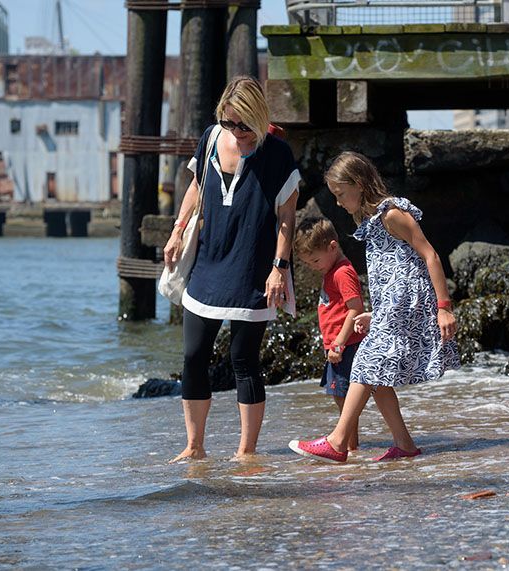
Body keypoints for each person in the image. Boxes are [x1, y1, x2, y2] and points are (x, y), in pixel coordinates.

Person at [289, 151, 460, 463]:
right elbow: (388, 272)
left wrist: (444, 306)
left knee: (366, 361)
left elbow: (430, 255)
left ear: (358, 184)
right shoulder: (373, 222)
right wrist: (375, 314)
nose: (338, 203)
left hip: (409, 302)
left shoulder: (392, 214)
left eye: (341, 194)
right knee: (377, 376)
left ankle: (337, 442)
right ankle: (404, 445)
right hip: (392, 305)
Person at [163, 77, 301, 462]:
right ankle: (194, 445)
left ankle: (246, 451)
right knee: (193, 355)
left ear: (259, 119)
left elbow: (287, 218)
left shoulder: (277, 154)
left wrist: (279, 268)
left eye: (244, 125)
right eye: (229, 123)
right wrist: (177, 231)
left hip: (252, 266)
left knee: (245, 360)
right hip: (209, 260)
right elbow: (196, 185)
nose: (236, 132)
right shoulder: (210, 138)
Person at [293, 217, 366, 450]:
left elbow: (356, 308)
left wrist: (339, 344)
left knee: (344, 398)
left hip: (345, 345)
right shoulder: (331, 270)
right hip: (336, 344)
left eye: (315, 260)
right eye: (308, 263)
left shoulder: (342, 272)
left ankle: (345, 445)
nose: (314, 266)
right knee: (341, 398)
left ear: (332, 247)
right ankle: (349, 446)